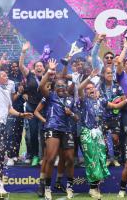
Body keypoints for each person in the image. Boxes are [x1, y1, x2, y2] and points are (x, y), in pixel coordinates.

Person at [77, 69, 127, 199]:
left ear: (95, 89)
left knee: (100, 159)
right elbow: (79, 88)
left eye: (92, 87)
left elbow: (116, 107)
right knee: (92, 160)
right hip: (87, 133)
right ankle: (93, 188)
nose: (90, 89)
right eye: (88, 88)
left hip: (100, 134)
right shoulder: (83, 100)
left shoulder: (102, 101)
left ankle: (95, 187)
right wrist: (89, 78)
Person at [36, 59, 79, 200]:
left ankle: (70, 188)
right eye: (58, 86)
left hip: (67, 130)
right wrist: (49, 72)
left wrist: (71, 114)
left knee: (70, 160)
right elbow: (42, 85)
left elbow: (77, 118)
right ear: (55, 88)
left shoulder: (70, 99)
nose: (61, 87)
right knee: (51, 158)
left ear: (66, 87)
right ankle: (47, 188)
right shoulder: (50, 96)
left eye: (63, 85)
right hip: (53, 128)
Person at [0, 54, 33, 198]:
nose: (6, 77)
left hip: (1, 126)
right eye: (3, 75)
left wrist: (22, 115)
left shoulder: (5, 91)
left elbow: (9, 109)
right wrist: (0, 62)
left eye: (6, 75)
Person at [19, 41, 46, 166]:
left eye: (41, 66)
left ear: (44, 68)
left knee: (45, 132)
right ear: (34, 69)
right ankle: (35, 155)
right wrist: (23, 52)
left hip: (44, 109)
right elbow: (20, 66)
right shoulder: (29, 75)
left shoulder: (47, 77)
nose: (39, 67)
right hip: (30, 108)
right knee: (33, 133)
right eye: (37, 66)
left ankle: (45, 156)